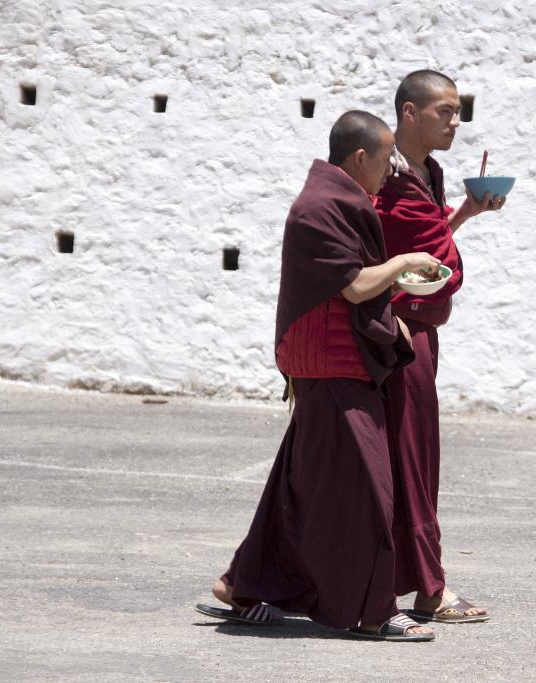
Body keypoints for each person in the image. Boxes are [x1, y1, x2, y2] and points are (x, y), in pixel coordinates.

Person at [195, 110, 442, 642]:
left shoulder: (333, 201)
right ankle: (374, 612)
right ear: (359, 158)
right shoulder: (320, 208)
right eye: (383, 162)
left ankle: (243, 585)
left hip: (335, 366)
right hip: (330, 370)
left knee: (302, 486)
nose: (387, 174)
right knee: (370, 492)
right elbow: (353, 287)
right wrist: (402, 263)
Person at [375, 70, 505, 624]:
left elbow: (427, 245)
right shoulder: (384, 174)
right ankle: (429, 588)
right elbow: (417, 260)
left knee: (408, 459)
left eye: (458, 112)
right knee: (407, 458)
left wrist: (464, 216)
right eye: (445, 112)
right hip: (393, 336)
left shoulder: (429, 171)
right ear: (409, 113)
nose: (456, 122)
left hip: (418, 331)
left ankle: (419, 583)